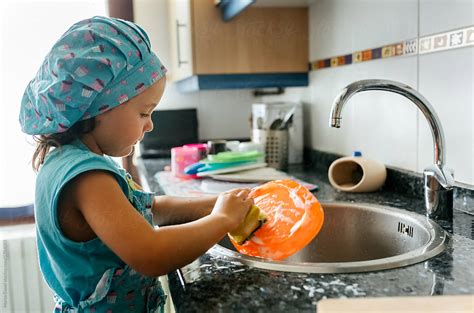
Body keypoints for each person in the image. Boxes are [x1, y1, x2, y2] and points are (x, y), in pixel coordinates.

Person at [19, 16, 253, 312]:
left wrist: (221, 202)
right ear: (100, 107)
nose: (151, 125)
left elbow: (153, 207)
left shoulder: (73, 161)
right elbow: (151, 253)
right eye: (145, 113)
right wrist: (222, 220)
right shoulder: (88, 178)